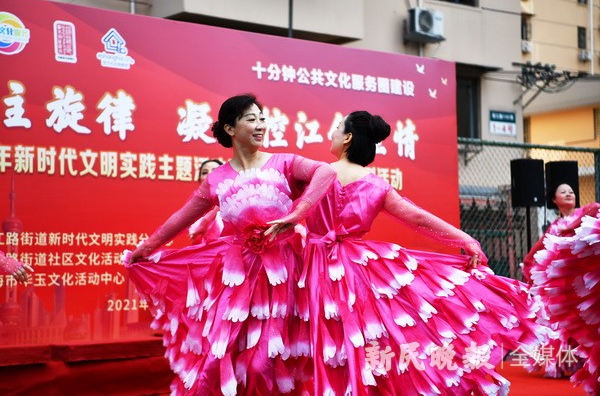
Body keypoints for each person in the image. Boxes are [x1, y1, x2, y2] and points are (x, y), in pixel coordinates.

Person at [284, 110, 547, 395]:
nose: (332, 133)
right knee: (362, 338)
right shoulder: (376, 185)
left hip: (313, 267)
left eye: (337, 127)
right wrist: (465, 239)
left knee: (321, 340)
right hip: (357, 270)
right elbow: (418, 218)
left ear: (347, 138)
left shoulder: (316, 175)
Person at [124, 93, 336, 395]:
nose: (260, 125)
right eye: (251, 119)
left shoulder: (285, 162)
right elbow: (180, 219)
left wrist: (297, 214)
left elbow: (326, 171)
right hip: (237, 278)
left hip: (283, 274)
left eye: (262, 119)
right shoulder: (217, 179)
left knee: (268, 361)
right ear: (229, 128)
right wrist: (144, 249)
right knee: (223, 358)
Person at [524, 182, 600, 393]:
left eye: (571, 192)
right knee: (564, 323)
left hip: (586, 280)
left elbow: (596, 207)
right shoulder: (554, 227)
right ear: (554, 200)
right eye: (563, 192)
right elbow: (534, 254)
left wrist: (571, 228)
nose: (568, 194)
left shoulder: (586, 214)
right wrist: (533, 273)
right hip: (566, 283)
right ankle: (570, 362)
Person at [188, 159, 224, 245]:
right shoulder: (195, 204)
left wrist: (204, 222)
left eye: (214, 171)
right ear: (199, 179)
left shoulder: (232, 197)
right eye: (204, 172)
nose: (209, 174)